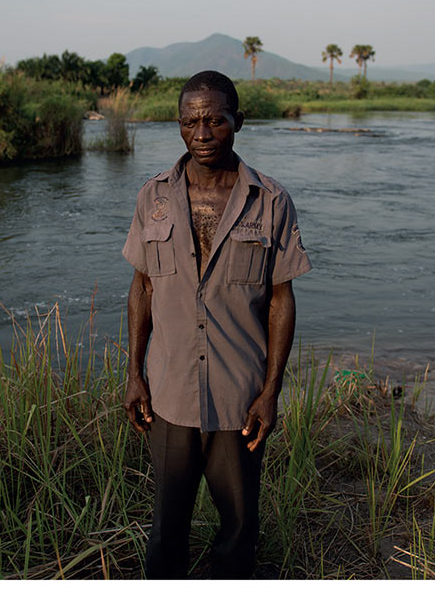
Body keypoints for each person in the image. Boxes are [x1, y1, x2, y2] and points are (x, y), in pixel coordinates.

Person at [121, 69, 312, 579]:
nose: (202, 134)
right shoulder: (153, 197)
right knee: (167, 527)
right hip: (170, 392)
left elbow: (280, 299)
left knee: (238, 526)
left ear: (238, 122)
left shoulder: (270, 201)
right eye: (190, 122)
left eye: (215, 121)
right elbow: (142, 287)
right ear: (179, 125)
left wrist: (271, 390)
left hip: (238, 397)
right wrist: (134, 372)